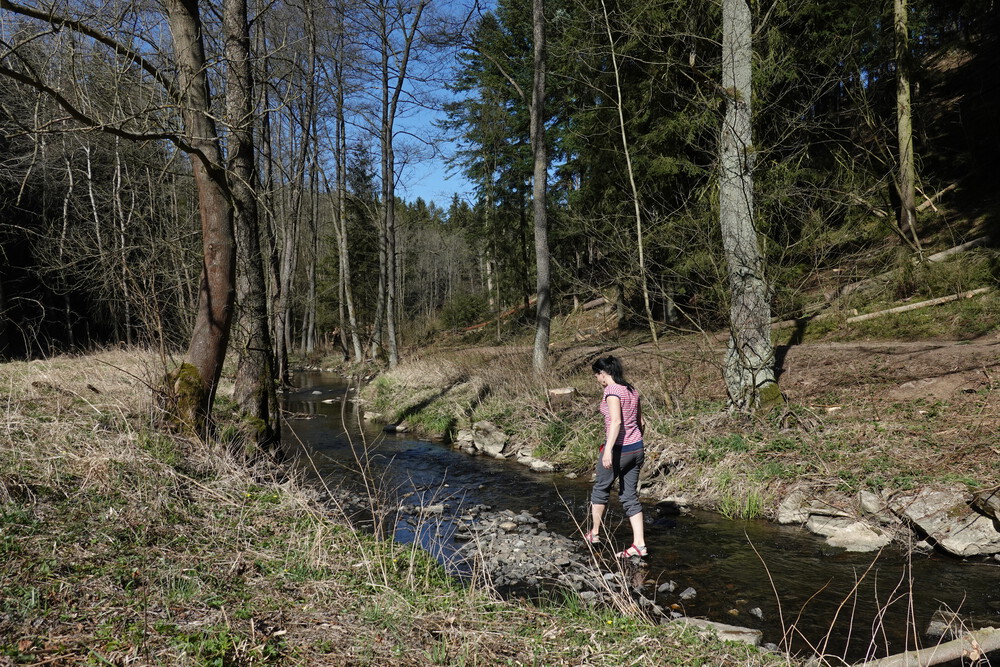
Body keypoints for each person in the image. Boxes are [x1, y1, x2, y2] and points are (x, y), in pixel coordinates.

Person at [584, 355, 647, 558]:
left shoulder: (611, 391)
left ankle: (594, 534)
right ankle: (639, 545)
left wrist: (608, 450)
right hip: (637, 447)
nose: (597, 379)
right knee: (629, 495)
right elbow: (642, 422)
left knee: (600, 489)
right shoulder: (631, 389)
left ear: (603, 374)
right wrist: (635, 441)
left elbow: (616, 422)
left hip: (619, 449)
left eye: (596, 375)